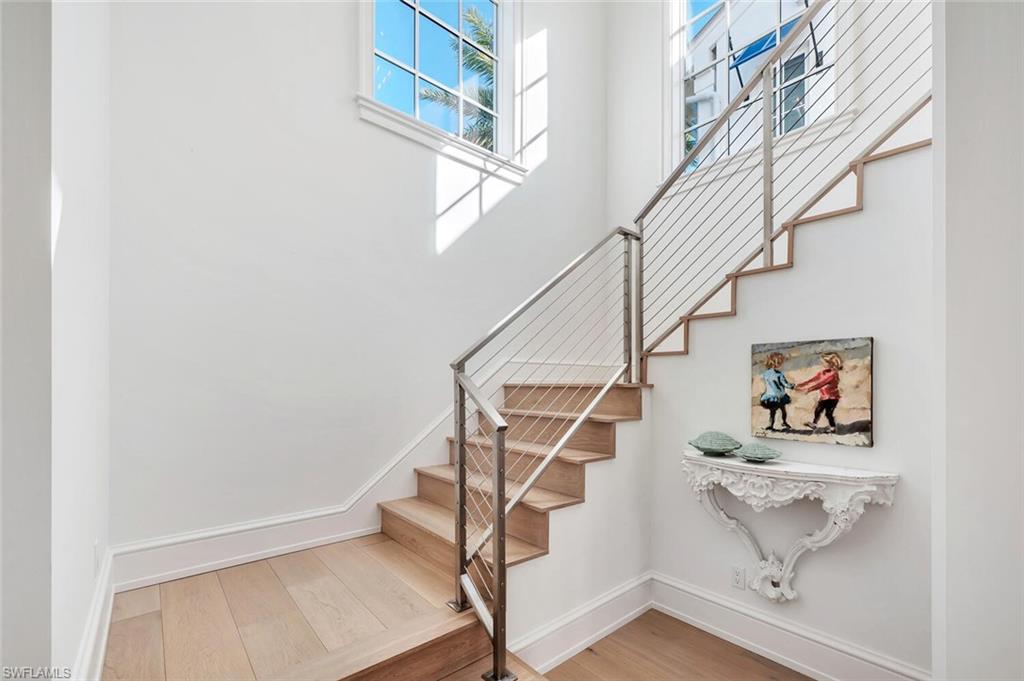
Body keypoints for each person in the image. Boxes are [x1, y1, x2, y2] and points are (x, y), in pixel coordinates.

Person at [797, 352, 843, 434]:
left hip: (832, 398)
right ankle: (814, 424)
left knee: (828, 414)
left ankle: (833, 428)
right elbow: (813, 379)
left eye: (823, 363)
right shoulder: (823, 372)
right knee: (818, 410)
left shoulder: (833, 373)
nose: (822, 364)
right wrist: (801, 385)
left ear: (830, 363)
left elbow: (821, 383)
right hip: (824, 397)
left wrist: (809, 389)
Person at [758, 352, 794, 431]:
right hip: (780, 396)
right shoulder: (779, 374)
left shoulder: (765, 374)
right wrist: (792, 386)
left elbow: (765, 380)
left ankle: (770, 425)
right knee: (783, 410)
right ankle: (784, 422)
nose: (782, 364)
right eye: (781, 362)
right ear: (777, 363)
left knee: (772, 412)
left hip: (769, 397)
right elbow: (785, 384)